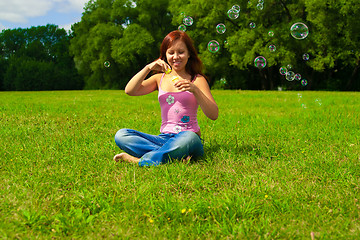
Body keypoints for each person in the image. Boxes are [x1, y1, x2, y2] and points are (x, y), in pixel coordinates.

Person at [114, 30, 218, 166]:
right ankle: (173, 155)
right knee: (121, 135)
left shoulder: (197, 80)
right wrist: (148, 68)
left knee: (188, 138)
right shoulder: (159, 78)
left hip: (188, 137)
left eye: (181, 52)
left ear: (189, 55)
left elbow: (213, 114)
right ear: (165, 55)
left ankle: (142, 160)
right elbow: (130, 90)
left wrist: (195, 90)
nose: (176, 57)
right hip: (163, 138)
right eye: (171, 53)